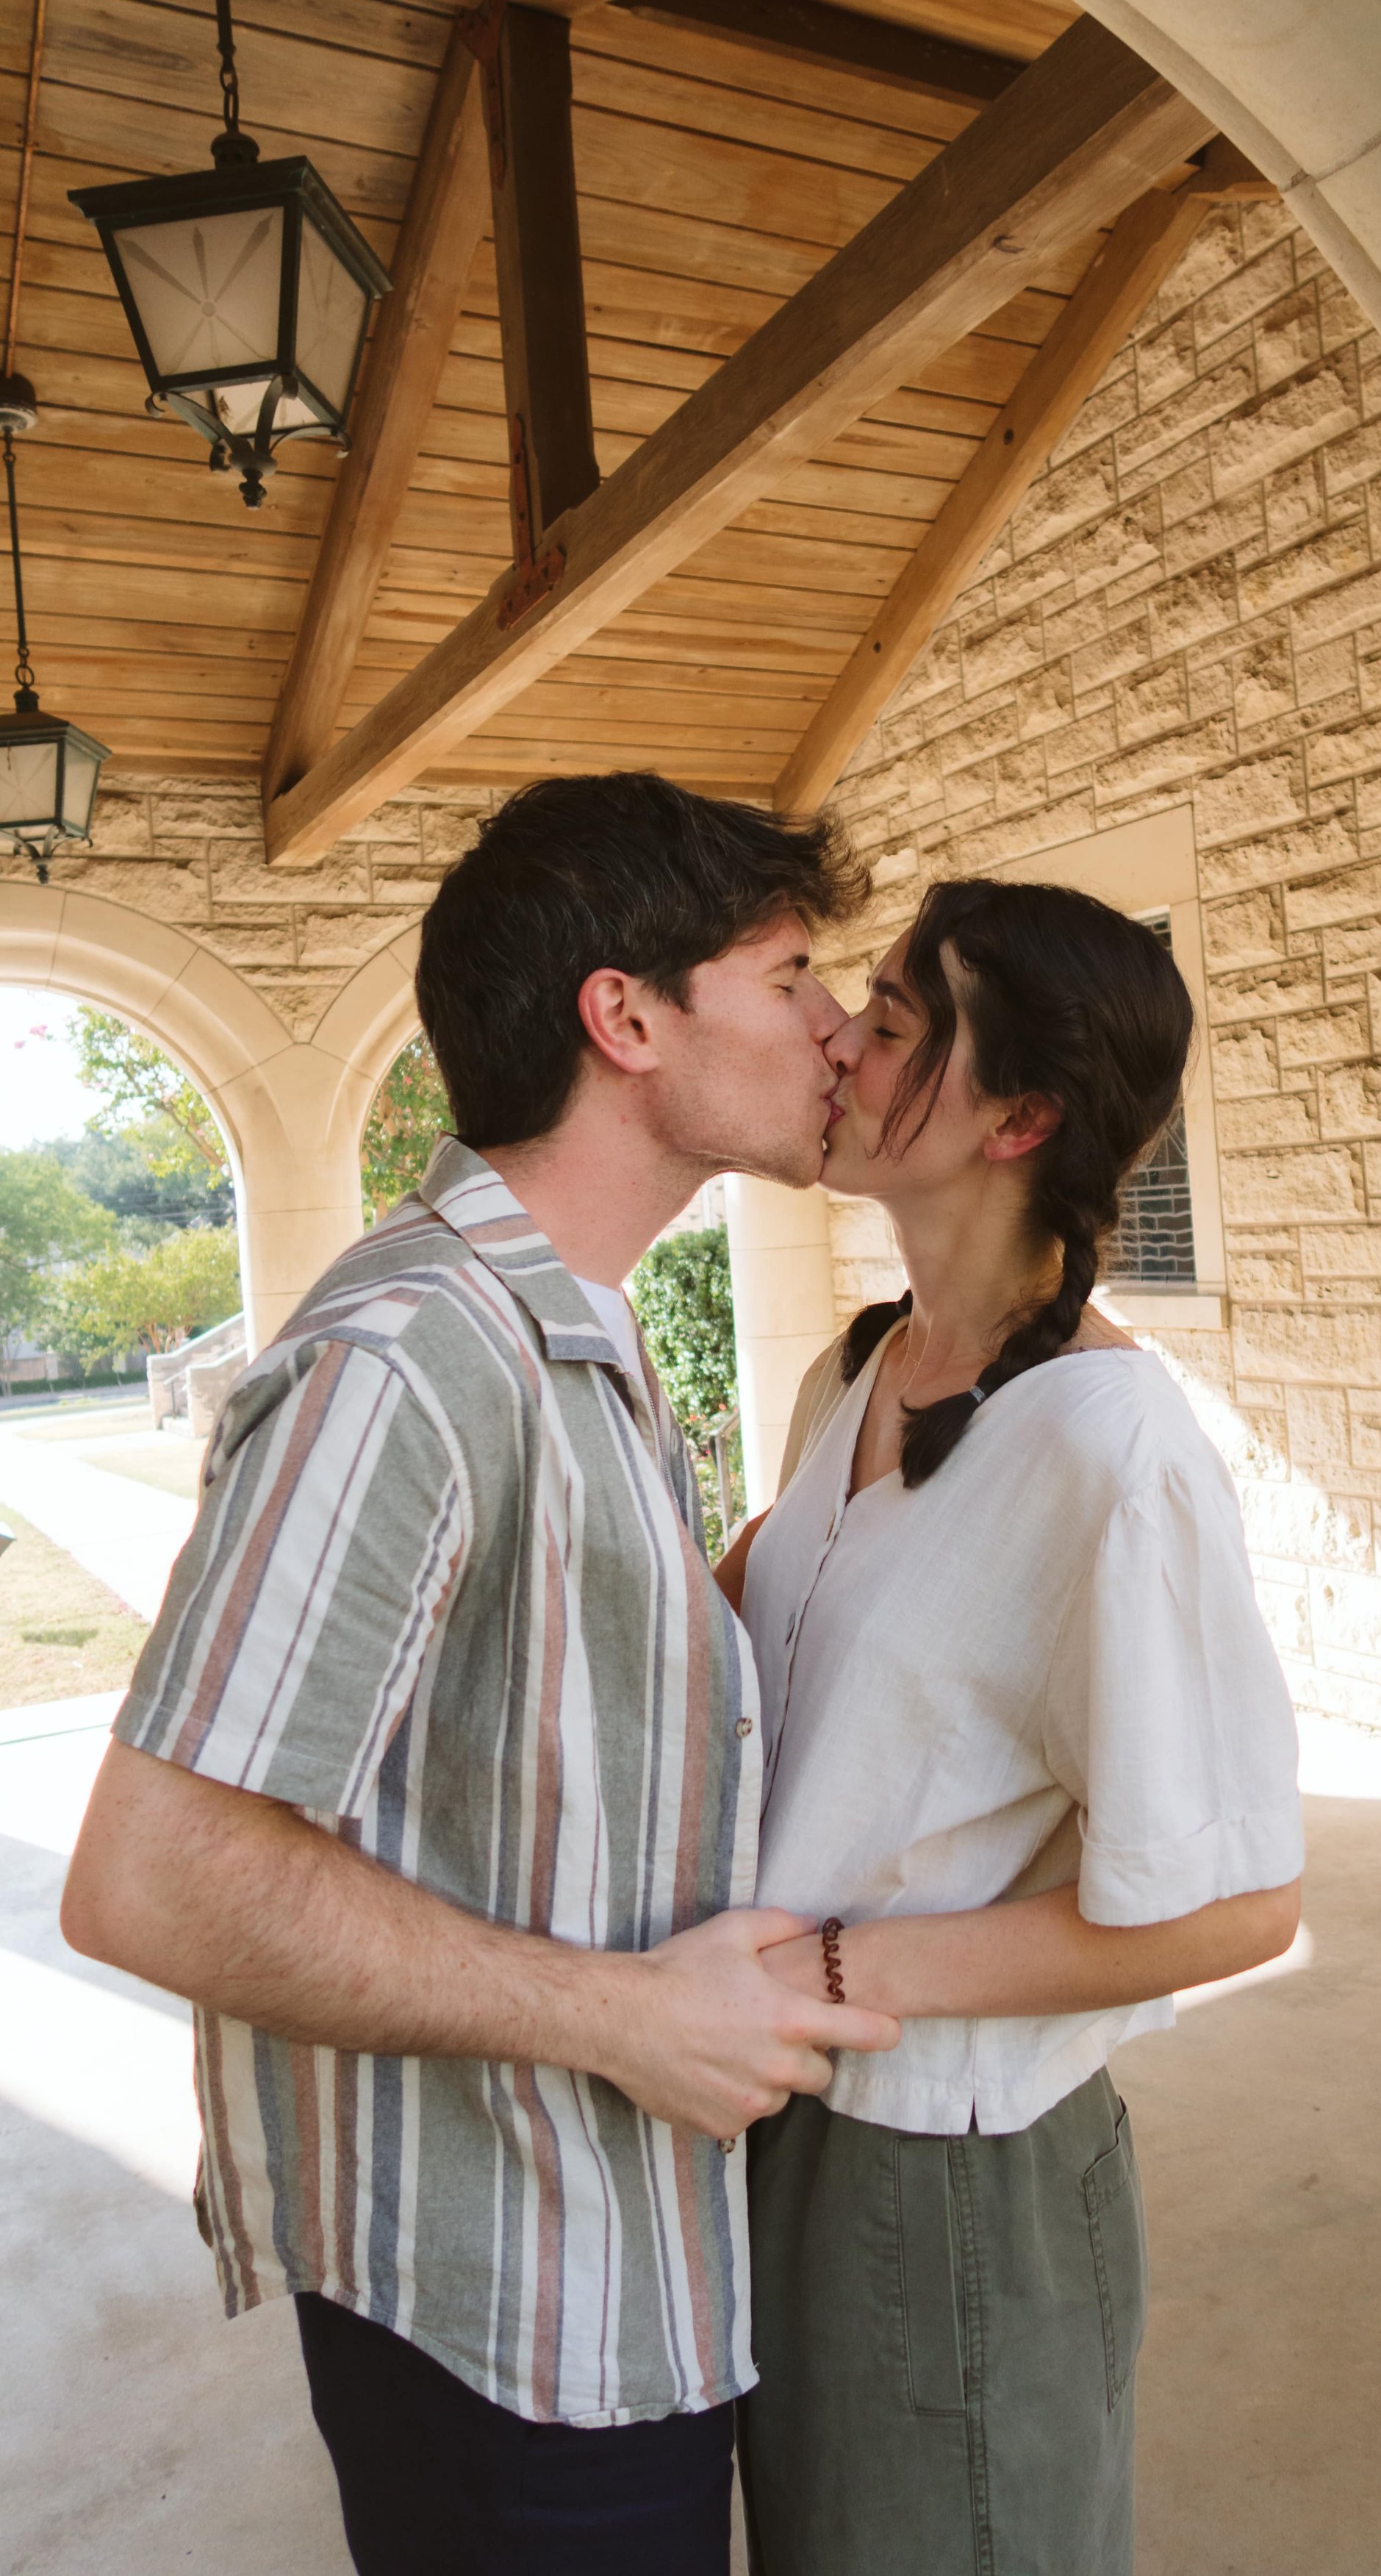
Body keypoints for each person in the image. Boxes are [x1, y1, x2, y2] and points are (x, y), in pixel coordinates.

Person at [60, 773, 903, 2576]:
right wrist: (623, 2017)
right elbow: (152, 1879)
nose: (837, 1023)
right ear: (627, 1016)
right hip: (508, 2329)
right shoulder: (411, 1361)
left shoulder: (568, 1332)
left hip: (614, 2278)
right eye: (786, 971)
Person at [717, 878, 1306, 2576]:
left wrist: (827, 1974)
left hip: (947, 2183)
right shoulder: (852, 1377)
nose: (840, 1036)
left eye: (893, 1023)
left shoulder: (1111, 1447)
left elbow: (1233, 1902)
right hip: (794, 2125)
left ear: (1020, 1117)